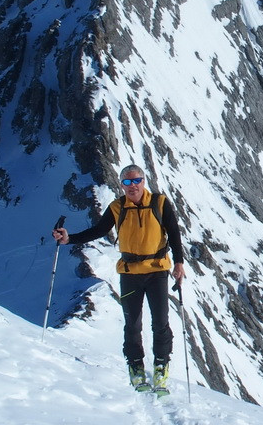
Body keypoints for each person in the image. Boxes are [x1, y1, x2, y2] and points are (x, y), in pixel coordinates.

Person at [53, 164, 186, 392]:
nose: (132, 186)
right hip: (130, 273)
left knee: (160, 323)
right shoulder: (117, 207)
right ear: (121, 185)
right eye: (127, 182)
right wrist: (69, 239)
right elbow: (98, 230)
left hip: (157, 271)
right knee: (132, 324)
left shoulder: (160, 203)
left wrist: (179, 263)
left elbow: (173, 233)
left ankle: (161, 365)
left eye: (136, 181)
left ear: (144, 181)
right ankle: (135, 365)